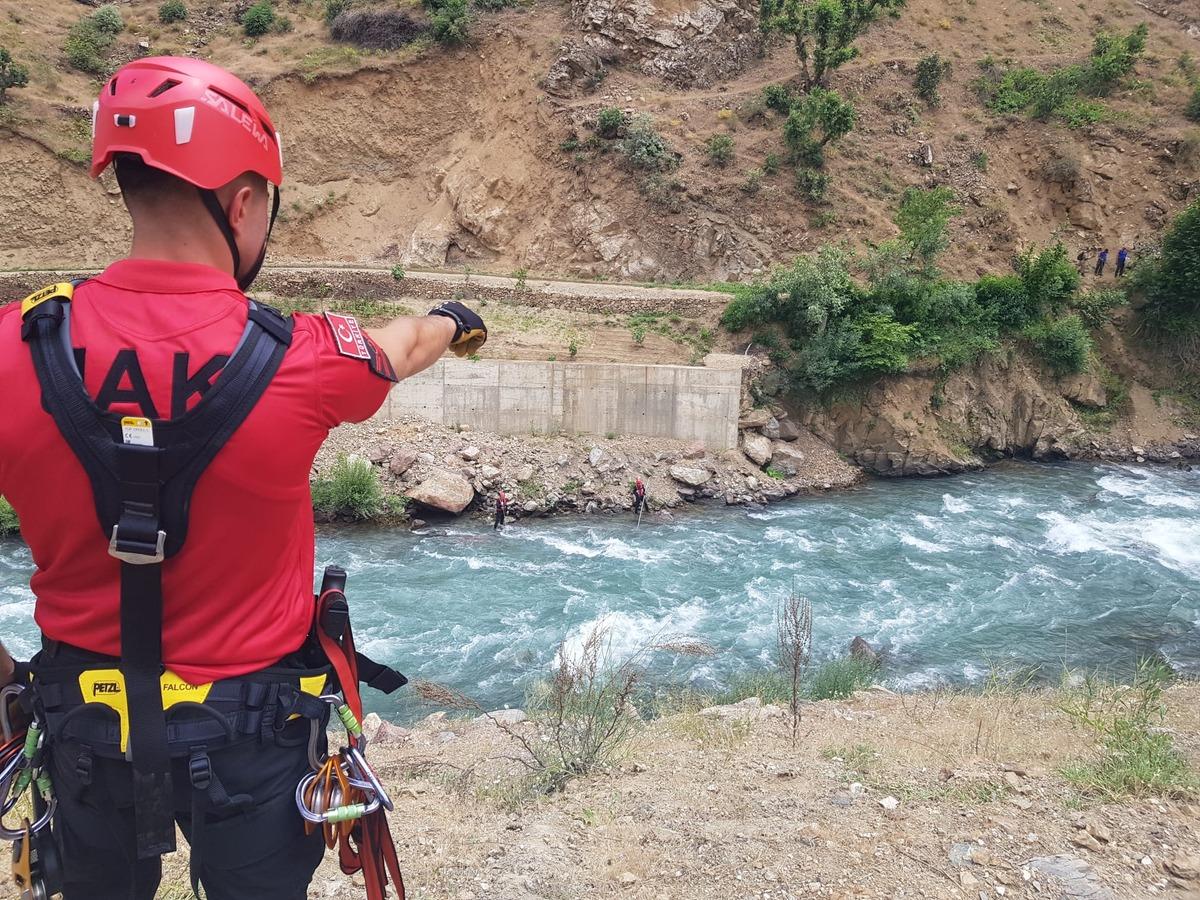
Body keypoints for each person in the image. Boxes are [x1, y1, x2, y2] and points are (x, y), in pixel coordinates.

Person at [0, 57, 487, 900]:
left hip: (79, 724)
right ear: (246, 202)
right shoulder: (301, 357)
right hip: (254, 739)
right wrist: (452, 321)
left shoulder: (15, 346)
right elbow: (401, 345)